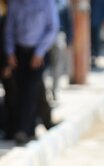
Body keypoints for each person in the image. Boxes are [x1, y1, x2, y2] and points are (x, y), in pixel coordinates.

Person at [3, 0, 59, 145]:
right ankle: (33, 125)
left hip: (38, 52)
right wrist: (10, 52)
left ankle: (24, 130)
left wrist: (39, 52)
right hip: (18, 52)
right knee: (21, 89)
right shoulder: (15, 4)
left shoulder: (46, 3)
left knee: (31, 89)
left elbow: (53, 28)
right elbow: (9, 29)